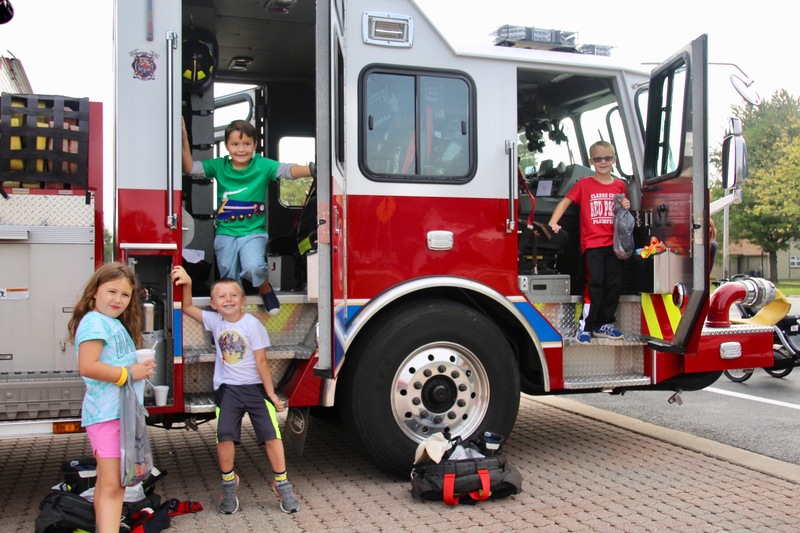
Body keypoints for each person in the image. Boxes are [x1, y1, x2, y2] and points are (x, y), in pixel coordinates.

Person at [170, 265, 300, 515]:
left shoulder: (253, 325)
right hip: (228, 391)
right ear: (214, 304)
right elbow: (187, 308)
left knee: (272, 435)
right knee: (225, 436)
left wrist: (271, 394)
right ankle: (229, 483)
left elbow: (262, 362)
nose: (228, 300)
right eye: (221, 296)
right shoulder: (214, 320)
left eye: (233, 295)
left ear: (242, 300)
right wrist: (186, 283)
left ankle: (281, 483)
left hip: (254, 389)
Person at [182, 118, 314, 316]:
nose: (241, 149)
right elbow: (190, 168)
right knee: (228, 275)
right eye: (235, 144)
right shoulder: (220, 166)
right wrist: (184, 138)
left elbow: (287, 170)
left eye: (246, 144)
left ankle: (265, 289)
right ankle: (228, 317)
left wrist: (312, 170)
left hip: (253, 232)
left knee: (253, 266)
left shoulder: (262, 165)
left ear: (255, 145)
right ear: (226, 145)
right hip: (226, 232)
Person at [66, 263, 157, 533]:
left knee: (114, 485)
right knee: (110, 486)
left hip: (120, 415)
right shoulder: (94, 322)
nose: (118, 299)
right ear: (95, 292)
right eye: (111, 291)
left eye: (125, 295)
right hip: (107, 416)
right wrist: (130, 372)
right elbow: (88, 366)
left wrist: (136, 371)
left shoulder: (111, 323)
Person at [547, 141, 631, 344]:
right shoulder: (584, 184)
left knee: (613, 284)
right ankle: (586, 326)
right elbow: (565, 201)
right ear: (590, 161)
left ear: (614, 160)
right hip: (593, 244)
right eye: (598, 158)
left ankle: (604, 324)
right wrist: (553, 221)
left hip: (615, 245)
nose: (603, 162)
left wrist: (626, 204)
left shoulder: (620, 185)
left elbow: (622, 210)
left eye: (607, 158)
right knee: (595, 285)